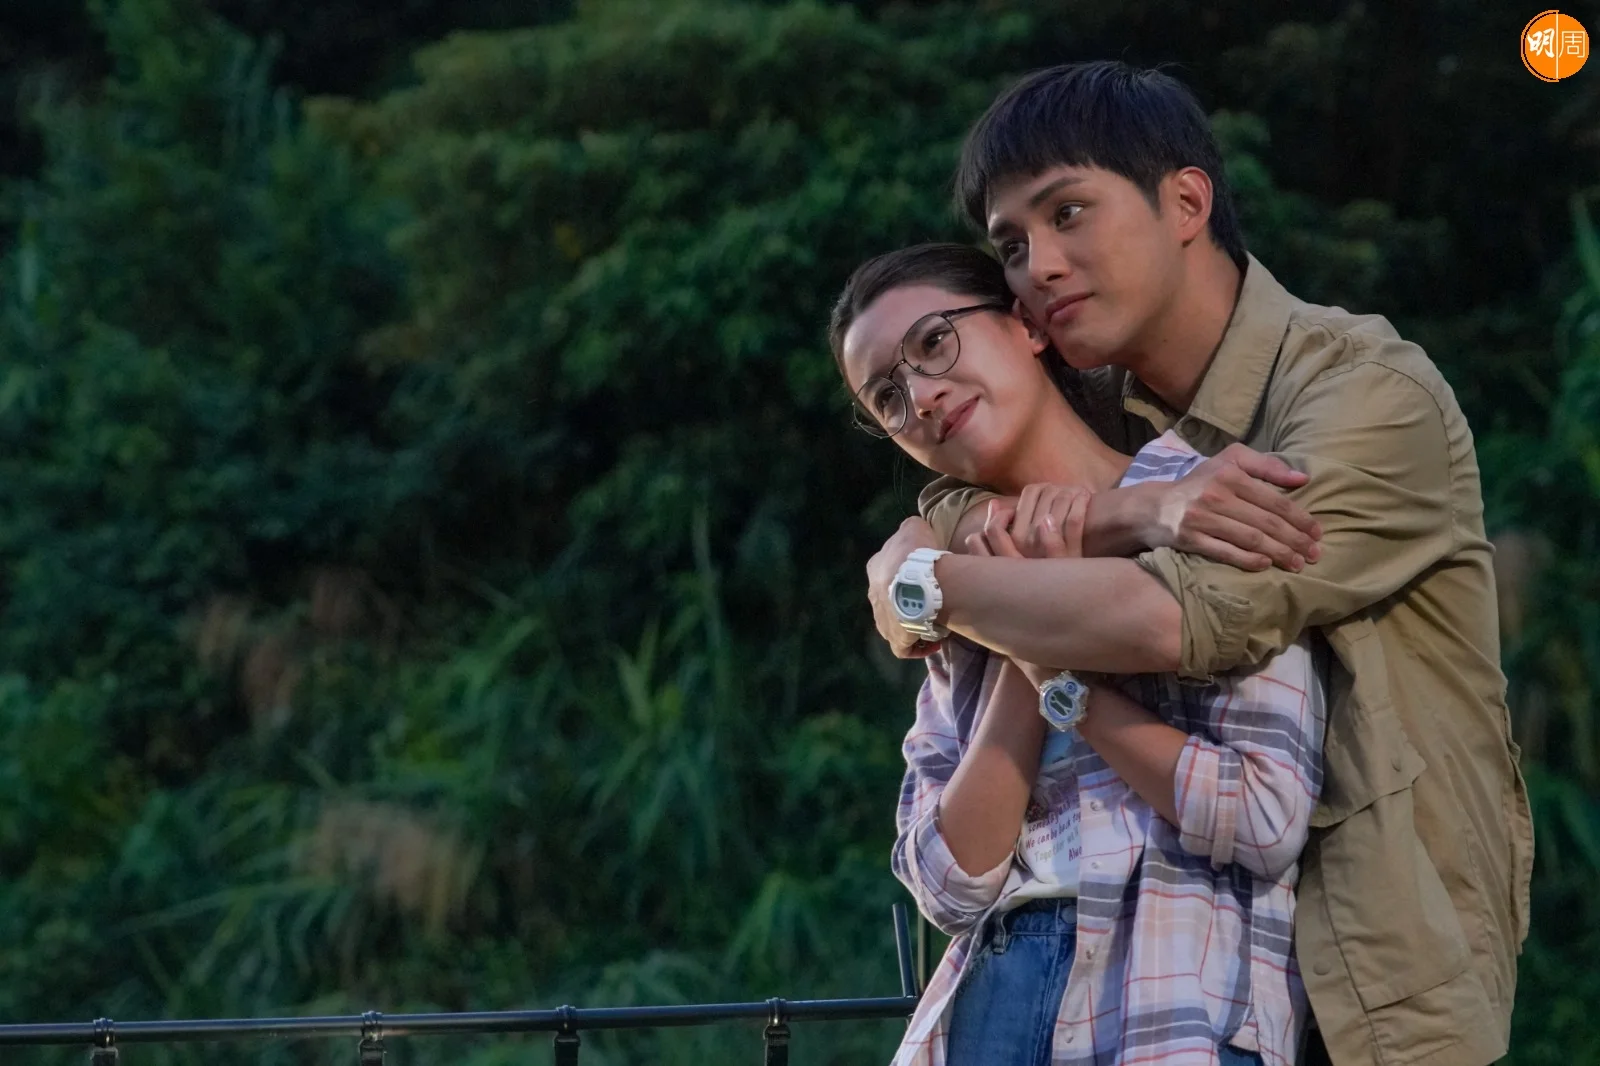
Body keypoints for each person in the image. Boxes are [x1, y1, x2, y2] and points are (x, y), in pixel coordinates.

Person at [865, 61, 1533, 1066]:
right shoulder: (1109, 425)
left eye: (1068, 213)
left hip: (1377, 985)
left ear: (1186, 202)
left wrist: (931, 589)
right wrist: (1127, 510)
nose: (1038, 267)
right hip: (1151, 988)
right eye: (1012, 245)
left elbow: (1170, 619)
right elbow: (954, 513)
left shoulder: (1364, 395)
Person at [833, 241, 1326, 1066]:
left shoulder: (1207, 502)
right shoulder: (955, 580)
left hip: (1171, 1003)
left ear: (1026, 326)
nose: (921, 396)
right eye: (888, 395)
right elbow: (948, 880)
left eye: (934, 342)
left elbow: (1265, 817)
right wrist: (1015, 610)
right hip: (993, 1005)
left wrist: (1057, 674)